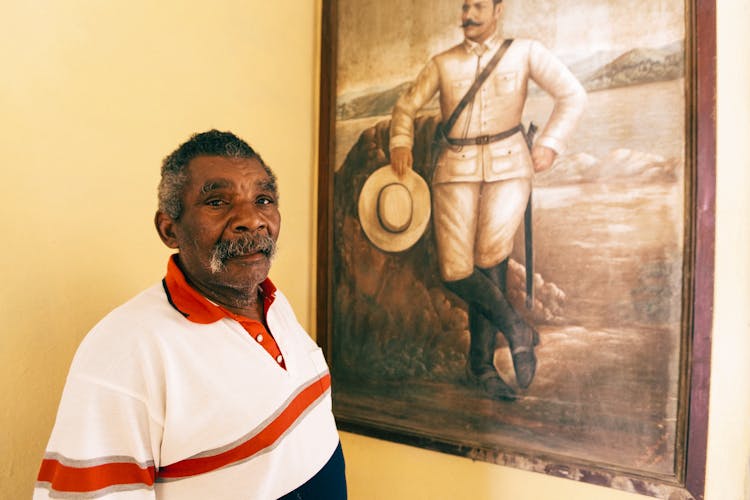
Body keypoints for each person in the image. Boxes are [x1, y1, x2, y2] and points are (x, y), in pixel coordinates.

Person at [34, 130, 347, 499]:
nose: (251, 220)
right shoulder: (123, 350)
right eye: (217, 202)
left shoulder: (272, 302)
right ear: (169, 229)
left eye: (263, 199)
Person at [389, 0, 586, 399]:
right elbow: (406, 106)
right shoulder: (443, 63)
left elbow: (573, 94)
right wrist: (400, 140)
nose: (468, 14)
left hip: (510, 167)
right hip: (455, 168)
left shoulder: (525, 51)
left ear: (498, 9)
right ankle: (518, 330)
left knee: (490, 259)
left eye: (478, 5)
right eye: (464, 6)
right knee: (454, 269)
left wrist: (550, 144)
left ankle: (479, 366)